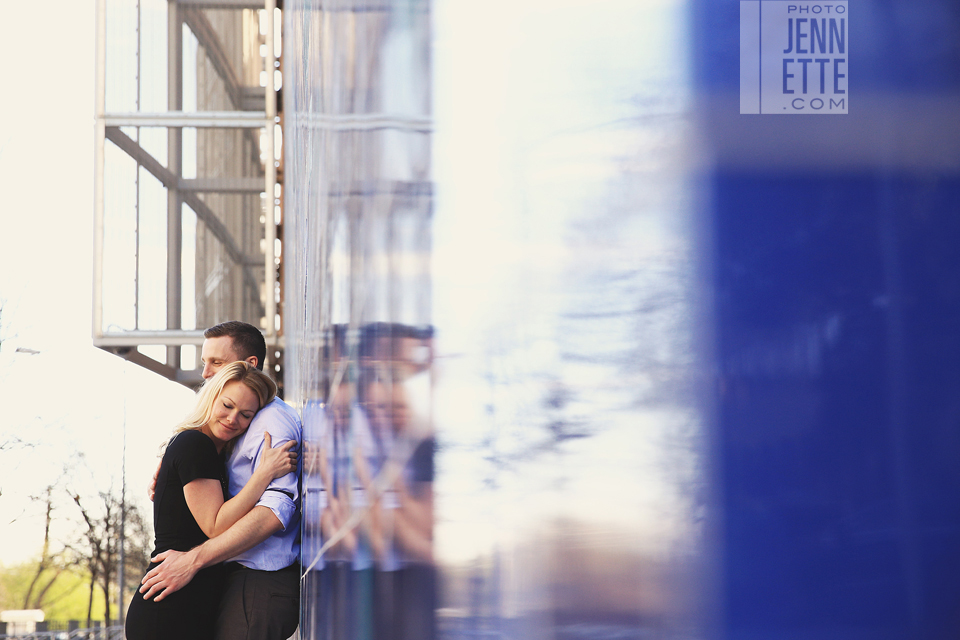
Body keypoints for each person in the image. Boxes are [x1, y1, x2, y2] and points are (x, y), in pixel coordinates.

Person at [139, 321, 304, 640]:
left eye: (216, 362)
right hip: (209, 585)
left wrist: (194, 560)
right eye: (205, 363)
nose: (205, 374)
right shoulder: (227, 430)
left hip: (257, 580)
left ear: (248, 365)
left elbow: (274, 510)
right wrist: (174, 462)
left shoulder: (271, 424)